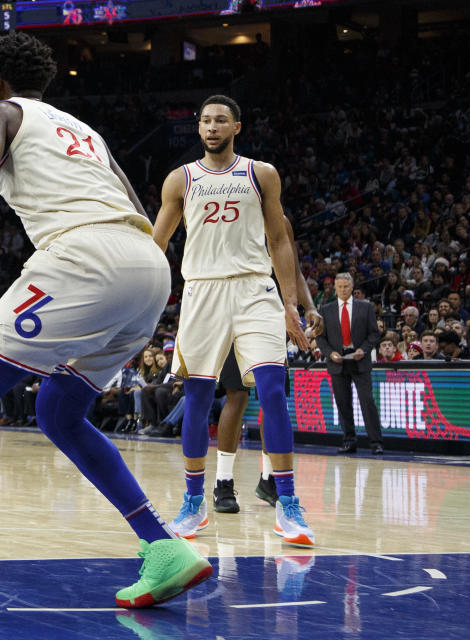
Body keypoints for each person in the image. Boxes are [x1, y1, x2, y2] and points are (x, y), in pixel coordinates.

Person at [0, 32, 210, 613]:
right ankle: (164, 548)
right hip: (149, 263)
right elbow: (133, 202)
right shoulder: (85, 132)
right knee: (59, 410)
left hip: (86, 255)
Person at [152, 94, 314, 546]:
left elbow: (280, 241)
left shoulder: (261, 174)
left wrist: (289, 304)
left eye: (221, 120)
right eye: (205, 120)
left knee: (272, 390)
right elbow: (156, 244)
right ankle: (193, 502)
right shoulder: (179, 180)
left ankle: (289, 505)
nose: (211, 127)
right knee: (199, 396)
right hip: (202, 290)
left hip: (253, 287)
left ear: (237, 127)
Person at [211, 218, 324, 514]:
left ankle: (269, 478)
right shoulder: (231, 214)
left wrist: (309, 306)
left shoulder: (281, 222)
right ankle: (223, 481)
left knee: (272, 398)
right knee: (236, 395)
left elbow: (293, 271)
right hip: (236, 311)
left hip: (271, 315)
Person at [315, 272, 384, 455]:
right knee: (343, 403)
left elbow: (374, 334)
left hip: (359, 359)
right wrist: (331, 353)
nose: (343, 290)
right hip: (338, 361)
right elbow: (320, 338)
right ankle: (349, 440)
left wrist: (363, 349)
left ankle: (375, 442)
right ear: (335, 288)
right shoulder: (326, 309)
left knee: (367, 401)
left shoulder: (365, 307)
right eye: (339, 287)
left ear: (352, 287)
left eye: (346, 286)